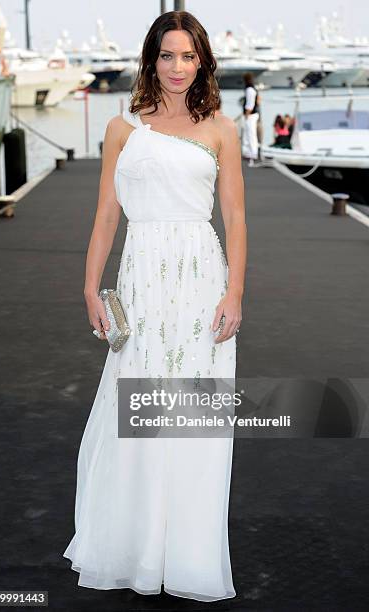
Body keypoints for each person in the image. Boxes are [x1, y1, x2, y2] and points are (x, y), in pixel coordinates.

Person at [63, 10, 247, 603]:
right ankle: (135, 547)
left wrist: (235, 291)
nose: (177, 67)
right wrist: (91, 288)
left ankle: (187, 554)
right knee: (137, 411)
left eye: (188, 56)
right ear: (152, 59)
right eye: (167, 55)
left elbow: (236, 219)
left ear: (202, 62)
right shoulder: (122, 128)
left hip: (199, 278)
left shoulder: (220, 127)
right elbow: (105, 218)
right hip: (141, 279)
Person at [240, 72, 260, 166]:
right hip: (253, 114)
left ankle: (253, 153)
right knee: (249, 134)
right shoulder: (254, 88)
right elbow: (259, 100)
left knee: (250, 134)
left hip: (250, 115)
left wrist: (246, 114)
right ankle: (249, 152)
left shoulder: (249, 90)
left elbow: (250, 104)